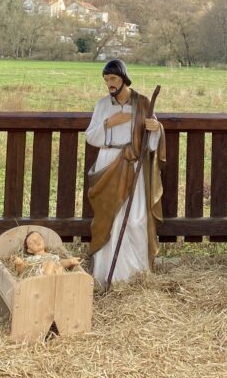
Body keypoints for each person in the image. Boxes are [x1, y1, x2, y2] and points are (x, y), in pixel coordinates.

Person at [85, 58, 165, 288]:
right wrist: (109, 123)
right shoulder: (102, 105)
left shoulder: (142, 103)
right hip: (109, 163)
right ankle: (105, 276)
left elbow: (152, 140)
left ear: (123, 79)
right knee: (109, 219)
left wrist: (156, 129)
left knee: (135, 219)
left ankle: (135, 276)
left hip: (133, 165)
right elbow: (91, 136)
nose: (109, 83)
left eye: (113, 78)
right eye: (106, 79)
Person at [10, 230, 83, 276]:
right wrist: (20, 264)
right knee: (50, 264)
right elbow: (23, 270)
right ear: (29, 250)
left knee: (58, 267)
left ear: (43, 240)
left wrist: (70, 261)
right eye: (32, 242)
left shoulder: (53, 256)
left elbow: (61, 263)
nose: (36, 241)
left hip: (57, 276)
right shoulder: (32, 259)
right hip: (42, 279)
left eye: (38, 238)